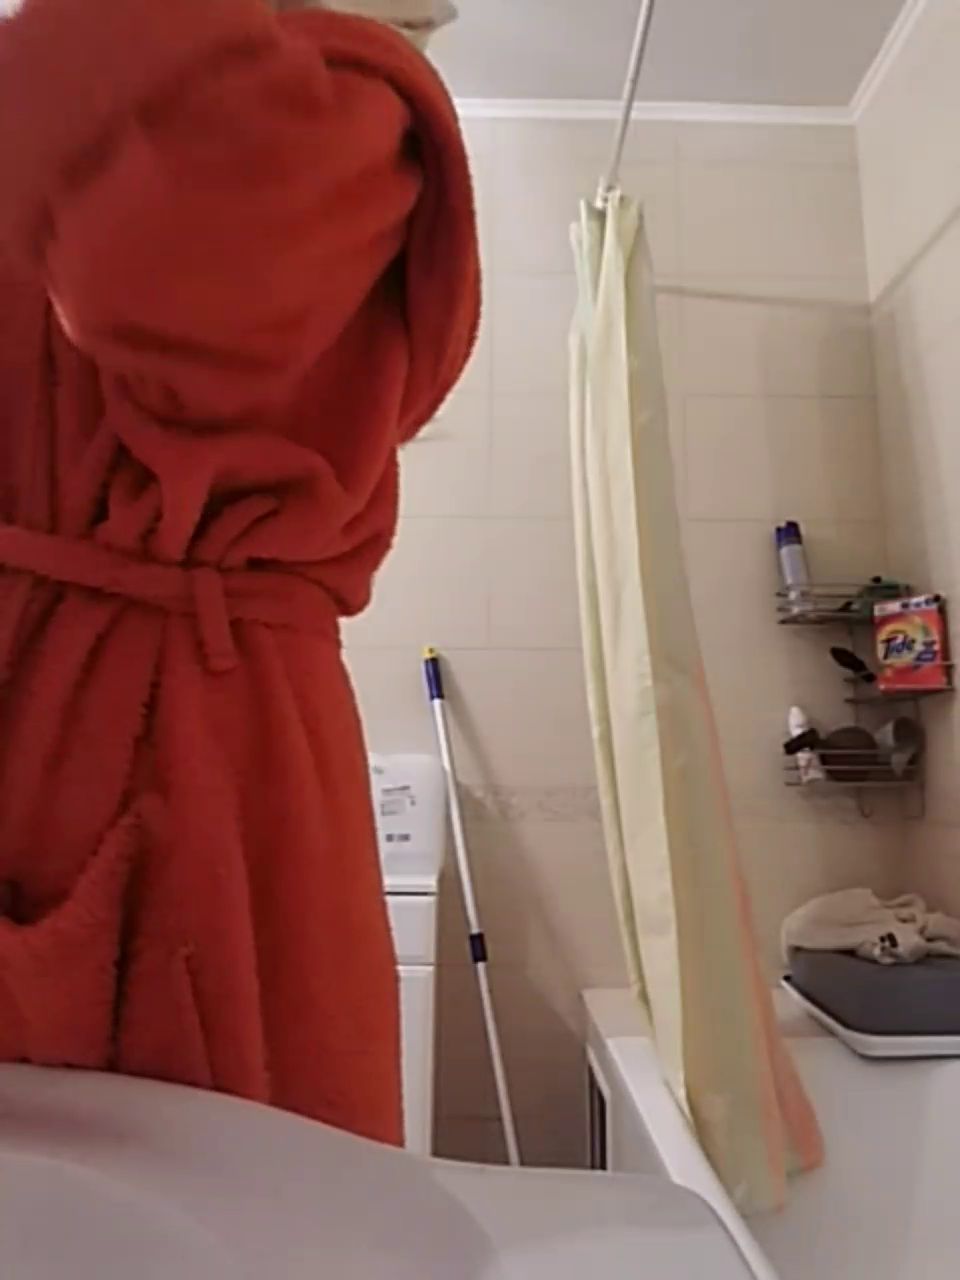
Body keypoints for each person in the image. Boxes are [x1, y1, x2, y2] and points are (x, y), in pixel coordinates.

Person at [0, 0, 478, 1147]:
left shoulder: (327, 106)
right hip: (141, 700)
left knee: (218, 1177)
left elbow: (167, 307)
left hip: (182, 726)